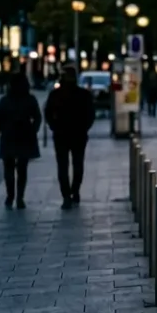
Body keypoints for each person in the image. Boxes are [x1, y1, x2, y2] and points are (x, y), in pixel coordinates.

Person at [0, 73, 42, 209]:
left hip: (9, 136)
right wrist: (32, 130)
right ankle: (19, 197)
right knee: (22, 169)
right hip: (24, 136)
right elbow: (38, 118)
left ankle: (10, 195)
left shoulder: (5, 101)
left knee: (9, 168)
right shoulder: (29, 99)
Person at [44, 66, 96, 209]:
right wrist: (84, 127)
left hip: (62, 134)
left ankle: (67, 195)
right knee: (77, 164)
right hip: (77, 134)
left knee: (63, 166)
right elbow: (91, 114)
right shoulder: (83, 94)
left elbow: (48, 113)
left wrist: (54, 126)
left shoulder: (56, 95)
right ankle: (74, 191)